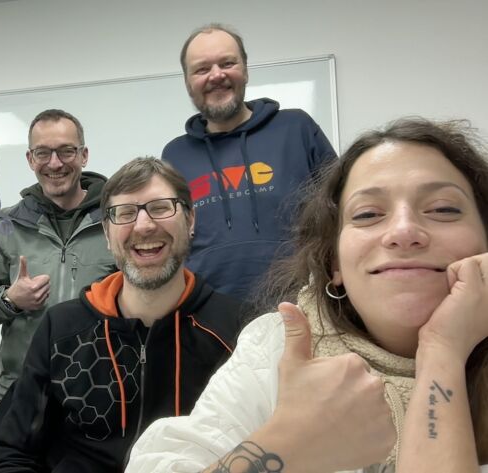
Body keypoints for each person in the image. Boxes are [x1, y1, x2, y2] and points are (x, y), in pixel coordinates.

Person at [127, 118, 488, 473]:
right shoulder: (276, 348)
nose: (404, 231)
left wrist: (442, 353)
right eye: (368, 214)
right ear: (335, 264)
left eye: (443, 209)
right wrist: (286, 447)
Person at [0, 157, 242, 473]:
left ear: (190, 221)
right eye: (125, 213)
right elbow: (12, 455)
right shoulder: (61, 329)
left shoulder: (238, 330)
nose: (144, 225)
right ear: (107, 235)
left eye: (161, 208)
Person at [0, 109, 116, 470]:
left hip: (99, 398)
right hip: (19, 399)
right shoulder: (8, 225)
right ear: (30, 159)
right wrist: (8, 301)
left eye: (66, 151)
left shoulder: (117, 219)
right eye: (43, 153)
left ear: (84, 155)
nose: (55, 163)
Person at [162, 23, 336, 300]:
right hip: (206, 312)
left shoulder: (296, 128)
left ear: (245, 69)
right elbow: (171, 238)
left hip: (300, 301)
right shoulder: (174, 155)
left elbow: (338, 210)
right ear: (187, 82)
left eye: (227, 63)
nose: (216, 75)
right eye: (202, 69)